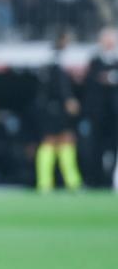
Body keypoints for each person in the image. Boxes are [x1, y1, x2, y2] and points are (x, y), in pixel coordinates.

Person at [35, 33, 83, 193]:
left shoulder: (52, 60)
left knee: (63, 142)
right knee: (54, 141)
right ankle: (51, 183)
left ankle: (64, 182)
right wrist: (68, 99)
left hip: (50, 108)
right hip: (54, 109)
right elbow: (59, 86)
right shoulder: (55, 61)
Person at [83, 27, 118, 188]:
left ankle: (110, 179)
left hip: (114, 113)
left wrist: (110, 77)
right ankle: (95, 179)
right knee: (95, 147)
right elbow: (90, 83)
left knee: (113, 147)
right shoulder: (95, 61)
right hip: (98, 114)